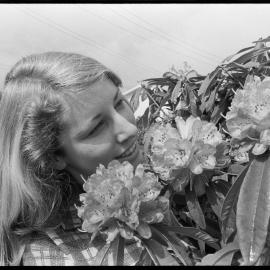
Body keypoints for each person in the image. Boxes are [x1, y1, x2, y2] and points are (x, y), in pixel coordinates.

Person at [0, 52, 144, 265]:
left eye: (119, 103)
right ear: (54, 156)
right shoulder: (57, 255)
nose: (130, 128)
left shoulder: (147, 179)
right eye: (96, 127)